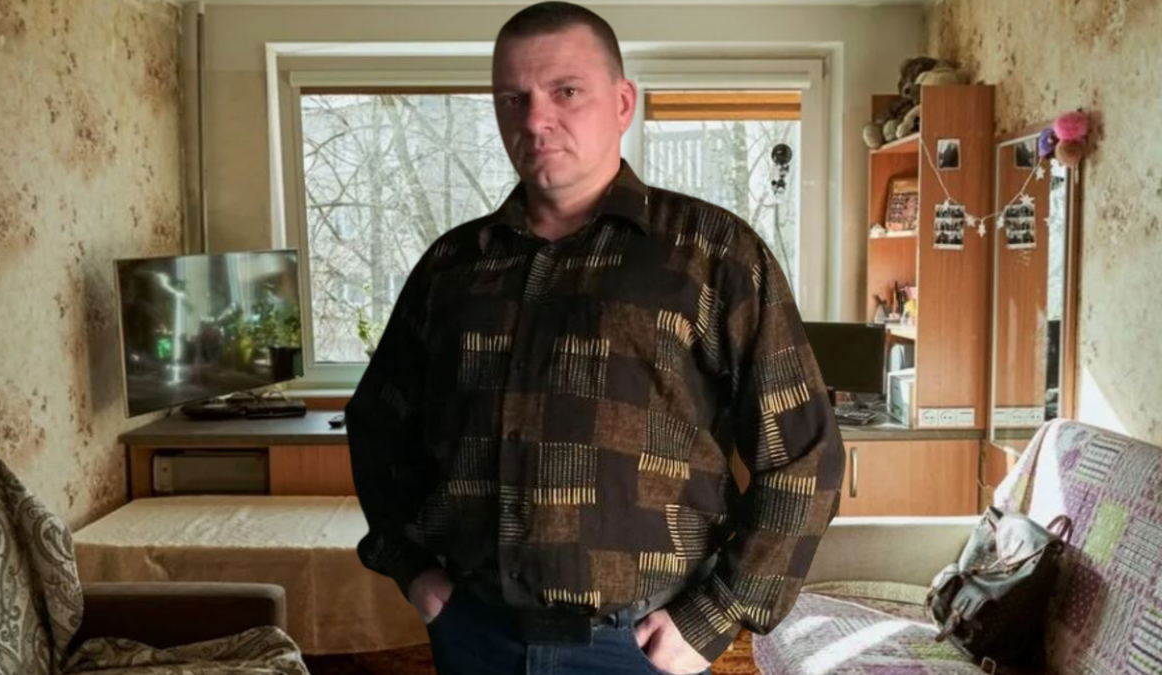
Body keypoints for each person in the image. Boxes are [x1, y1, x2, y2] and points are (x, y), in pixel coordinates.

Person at [345, 3, 845, 674]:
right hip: (474, 634)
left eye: (566, 91)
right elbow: (378, 425)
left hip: (638, 646)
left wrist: (717, 613)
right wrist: (414, 572)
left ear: (622, 103)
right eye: (513, 98)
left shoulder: (712, 253)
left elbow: (806, 454)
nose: (534, 119)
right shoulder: (452, 267)